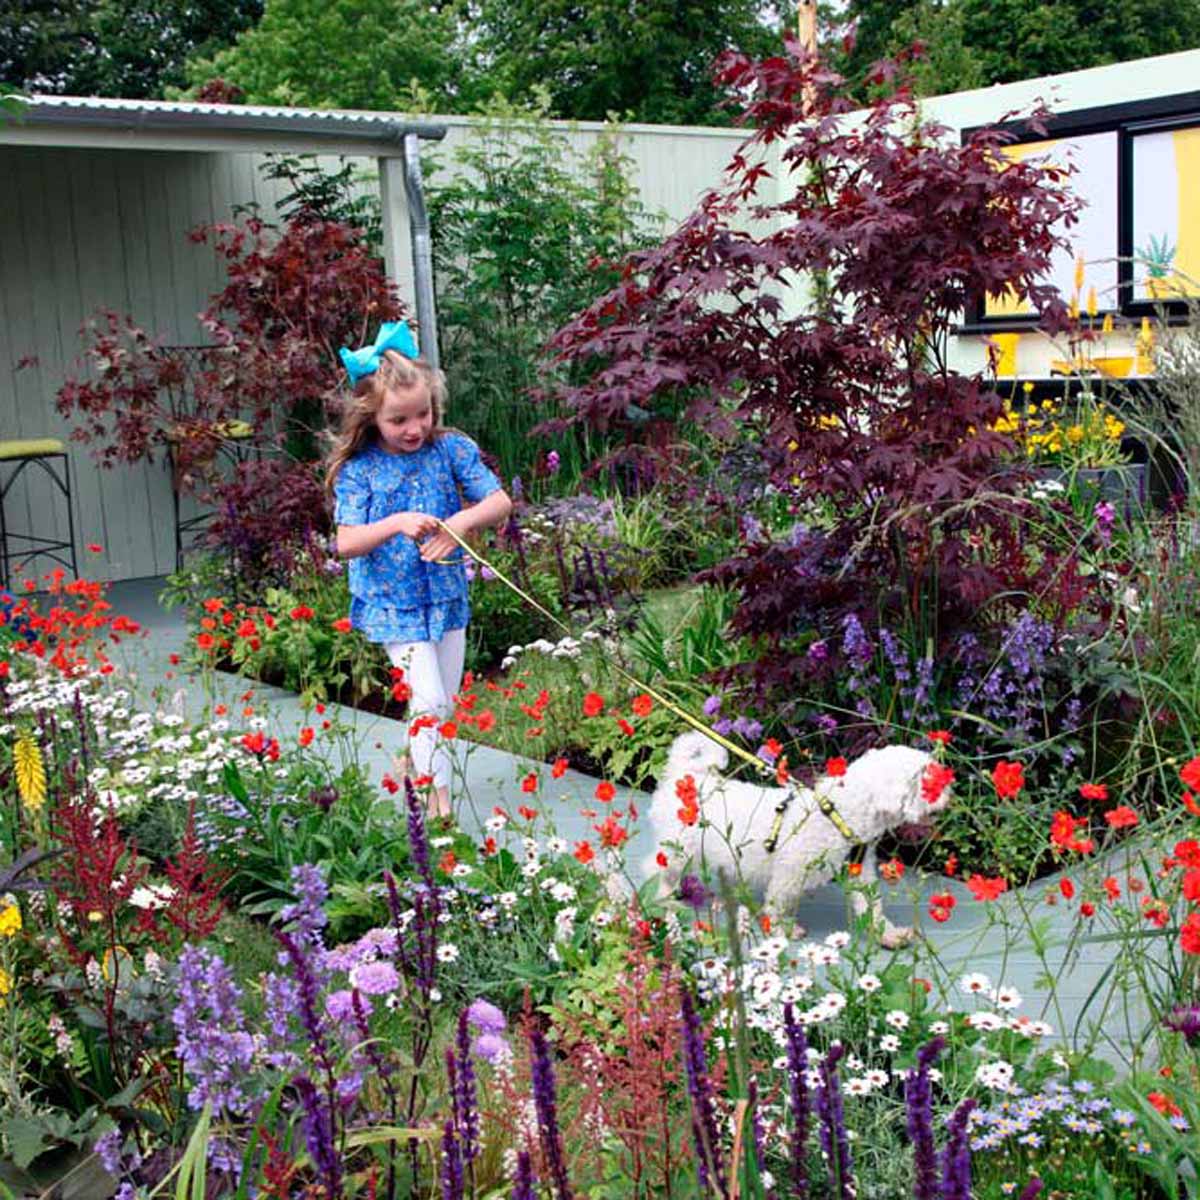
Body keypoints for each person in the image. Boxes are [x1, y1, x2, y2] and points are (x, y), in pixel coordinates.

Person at [326, 321, 512, 817]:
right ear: (372, 419)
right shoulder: (360, 470)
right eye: (399, 420)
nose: (415, 429)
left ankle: (415, 760)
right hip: (393, 605)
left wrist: (458, 525)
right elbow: (345, 543)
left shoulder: (449, 449)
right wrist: (395, 523)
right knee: (429, 703)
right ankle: (437, 804)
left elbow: (498, 500)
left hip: (446, 596)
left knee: (441, 706)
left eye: (423, 414)